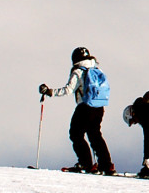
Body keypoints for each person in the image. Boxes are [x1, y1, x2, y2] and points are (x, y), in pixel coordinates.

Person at [42, 46, 115, 174]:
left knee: (76, 134)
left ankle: (85, 164)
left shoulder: (78, 71)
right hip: (99, 107)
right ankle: (107, 165)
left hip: (84, 107)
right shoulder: (97, 69)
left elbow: (68, 90)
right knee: (95, 135)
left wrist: (50, 92)